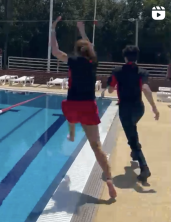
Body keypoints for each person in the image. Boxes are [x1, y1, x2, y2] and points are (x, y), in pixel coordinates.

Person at [51, 16, 117, 198]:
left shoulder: (72, 61)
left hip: (72, 105)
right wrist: (82, 29)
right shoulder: (92, 63)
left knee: (70, 118)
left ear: (76, 51)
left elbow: (55, 50)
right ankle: (109, 180)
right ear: (88, 51)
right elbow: (91, 47)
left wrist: (53, 29)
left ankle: (71, 133)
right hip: (89, 106)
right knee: (96, 146)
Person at [107, 45, 160, 182]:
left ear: (125, 57)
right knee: (132, 129)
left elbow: (111, 89)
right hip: (138, 109)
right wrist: (154, 107)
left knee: (132, 139)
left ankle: (144, 168)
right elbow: (146, 88)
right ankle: (135, 154)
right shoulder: (142, 72)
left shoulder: (117, 71)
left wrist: (111, 87)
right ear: (136, 57)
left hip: (125, 109)